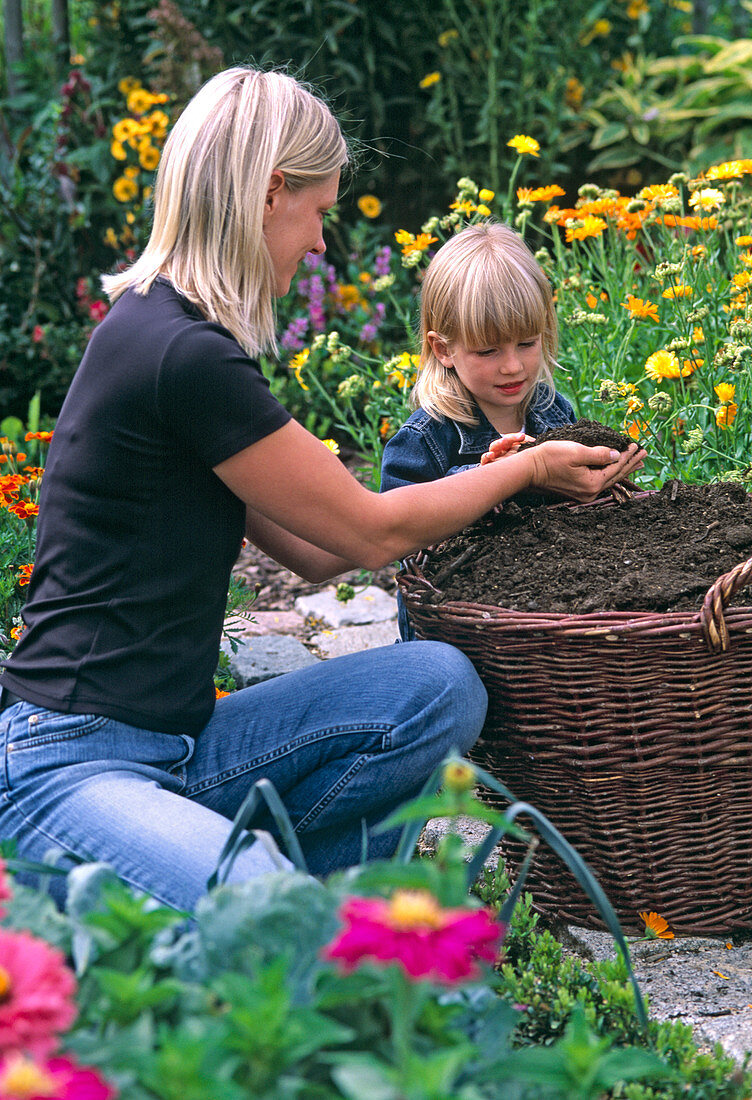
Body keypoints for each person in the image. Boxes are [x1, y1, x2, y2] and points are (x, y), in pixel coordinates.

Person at [0, 68, 643, 914]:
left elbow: (314, 551)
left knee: (437, 686)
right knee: (266, 909)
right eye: (319, 212)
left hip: (181, 749)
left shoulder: (168, 333)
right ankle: (275, 905)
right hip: (69, 763)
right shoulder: (181, 355)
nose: (320, 246)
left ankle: (269, 895)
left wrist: (490, 484)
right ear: (270, 194)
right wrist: (525, 469)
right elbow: (370, 533)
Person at [381, 222, 591, 639]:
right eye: (489, 350)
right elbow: (400, 538)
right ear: (444, 349)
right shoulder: (426, 438)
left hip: (548, 611)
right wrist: (483, 478)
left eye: (527, 344)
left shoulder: (553, 410)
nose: (512, 366)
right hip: (458, 625)